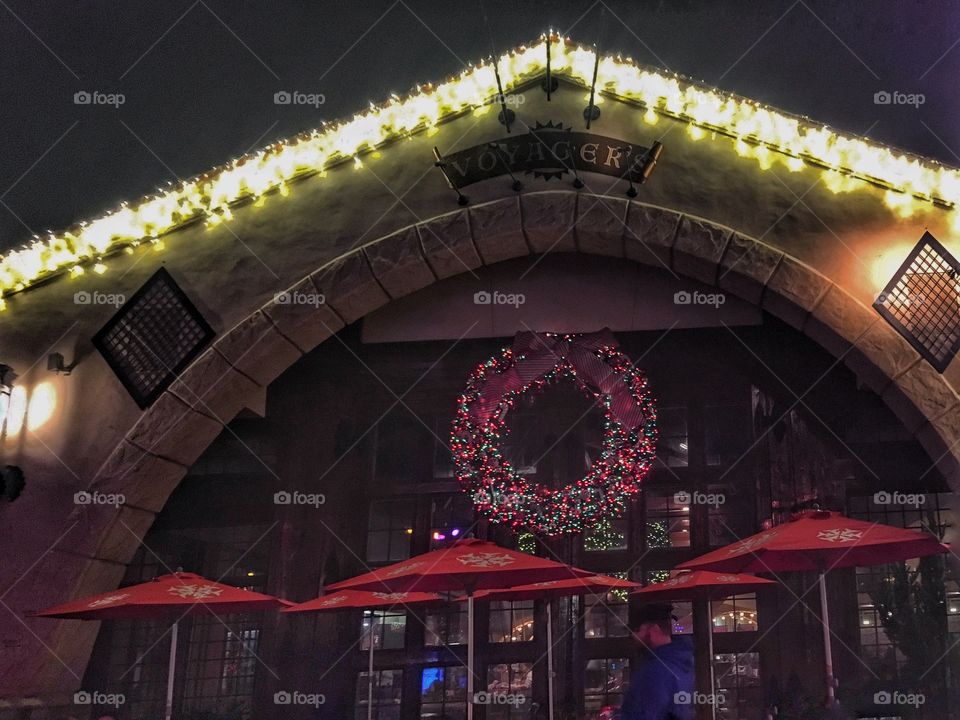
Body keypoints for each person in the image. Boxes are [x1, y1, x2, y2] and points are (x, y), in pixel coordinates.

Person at [621, 603, 695, 720]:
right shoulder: (679, 662)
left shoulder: (655, 671)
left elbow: (644, 715)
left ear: (654, 629)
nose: (634, 635)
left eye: (637, 630)